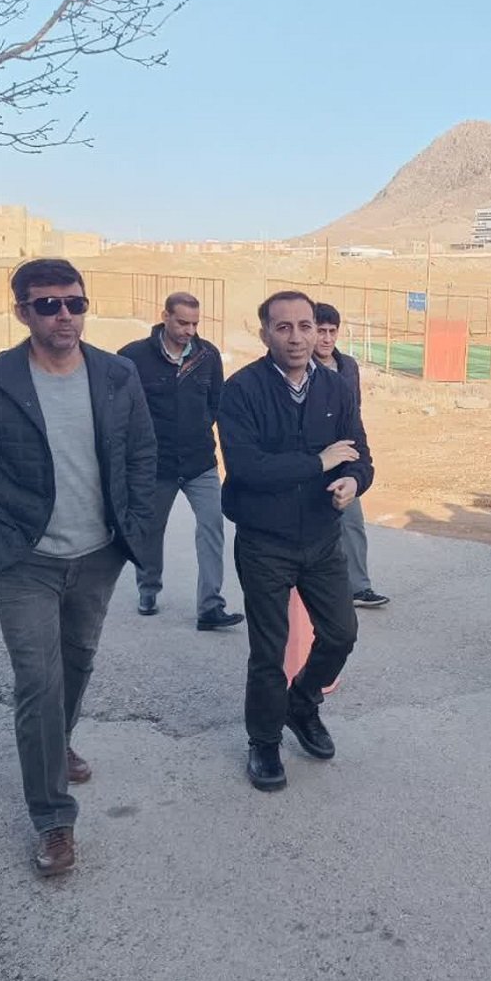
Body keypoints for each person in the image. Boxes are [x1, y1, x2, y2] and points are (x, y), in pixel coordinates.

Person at [0, 258, 156, 877]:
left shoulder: (117, 374)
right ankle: (53, 819)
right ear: (22, 312)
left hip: (98, 554)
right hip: (23, 560)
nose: (64, 315)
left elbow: (142, 453)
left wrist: (134, 524)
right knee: (38, 681)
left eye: (75, 303)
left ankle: (55, 745)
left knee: (78, 662)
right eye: (48, 304)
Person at [219, 290, 371, 793]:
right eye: (283, 327)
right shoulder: (242, 390)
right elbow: (248, 468)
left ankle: (302, 703)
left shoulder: (336, 388)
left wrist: (353, 481)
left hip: (322, 538)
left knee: (342, 633)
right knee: (269, 650)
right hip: (265, 542)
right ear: (265, 333)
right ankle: (263, 741)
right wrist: (319, 462)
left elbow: (360, 454)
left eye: (305, 326)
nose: (297, 337)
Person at [119, 292, 244, 632]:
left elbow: (216, 403)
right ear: (165, 317)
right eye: (183, 323)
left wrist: (199, 428)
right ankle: (148, 588)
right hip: (154, 465)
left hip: (200, 462)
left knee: (212, 526)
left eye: (195, 324)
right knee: (150, 530)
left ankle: (210, 606)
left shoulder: (208, 356)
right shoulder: (132, 357)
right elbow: (120, 410)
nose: (190, 330)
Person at [313, 302, 389, 608]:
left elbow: (354, 413)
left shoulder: (348, 367)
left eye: (332, 331)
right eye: (321, 331)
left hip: (345, 457)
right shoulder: (301, 367)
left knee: (352, 522)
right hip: (313, 458)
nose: (327, 338)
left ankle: (359, 588)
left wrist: (357, 457)